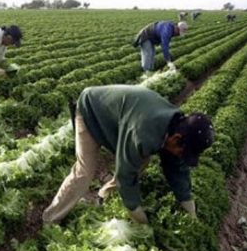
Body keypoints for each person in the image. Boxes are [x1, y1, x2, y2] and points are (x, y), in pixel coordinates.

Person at [42, 85, 215, 224]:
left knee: (140, 163)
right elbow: (126, 173)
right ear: (177, 138)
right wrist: (138, 215)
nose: (180, 155)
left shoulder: (175, 128)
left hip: (120, 118)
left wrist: (190, 210)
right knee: (85, 171)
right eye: (183, 152)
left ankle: (102, 196)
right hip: (91, 109)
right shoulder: (143, 132)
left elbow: (177, 169)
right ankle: (51, 218)